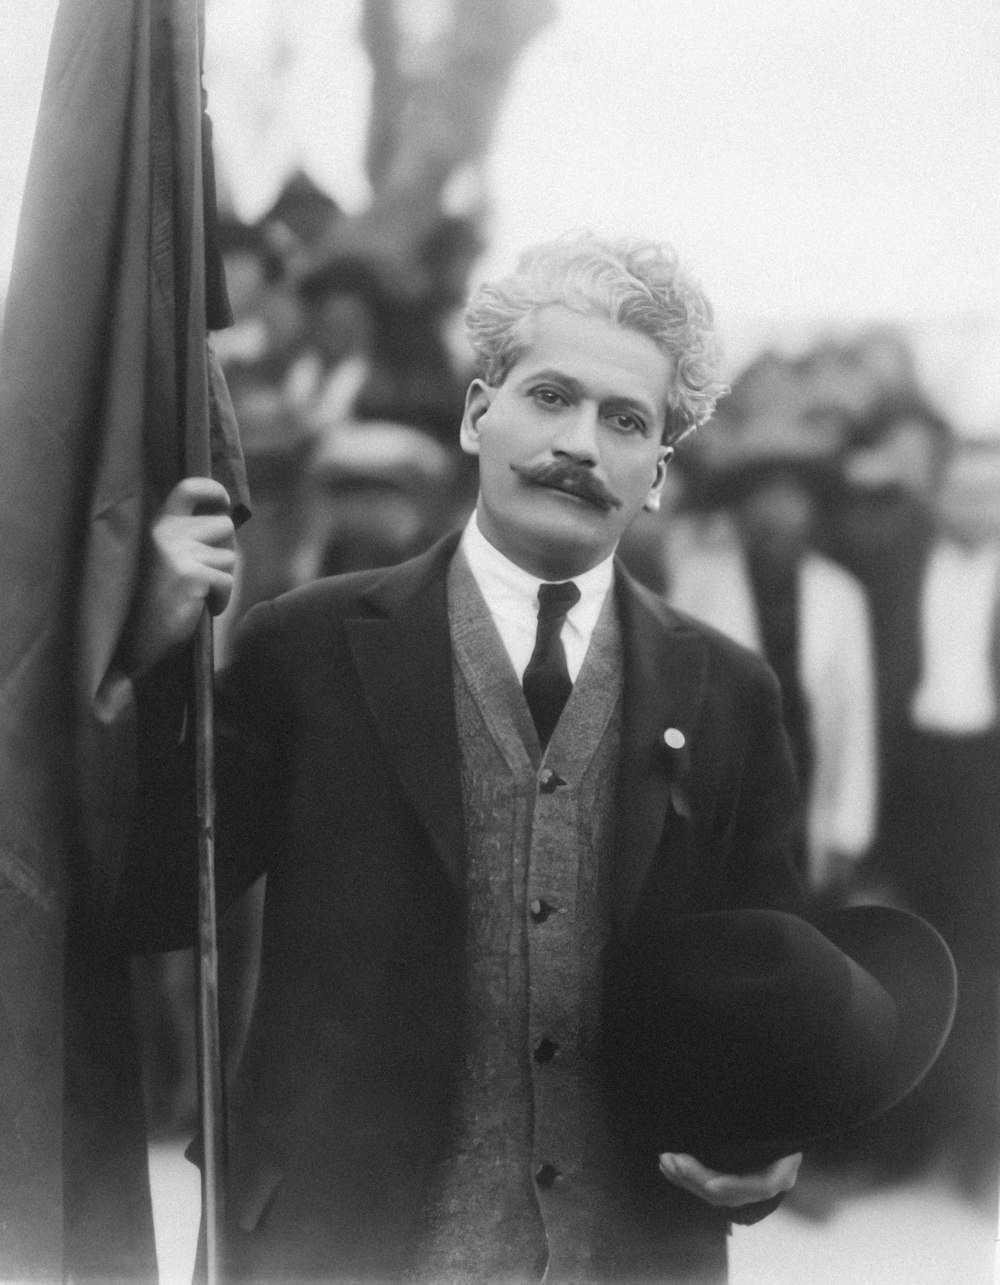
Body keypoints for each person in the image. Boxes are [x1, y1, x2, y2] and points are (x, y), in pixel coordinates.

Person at [121, 233, 806, 1284]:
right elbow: (157, 895)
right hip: (333, 1242)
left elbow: (770, 994)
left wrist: (769, 1148)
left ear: (657, 473)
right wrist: (153, 646)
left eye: (625, 420)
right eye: (548, 396)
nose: (578, 442)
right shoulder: (304, 645)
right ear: (477, 413)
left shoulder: (730, 696)